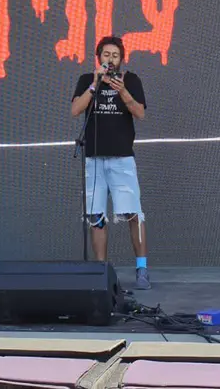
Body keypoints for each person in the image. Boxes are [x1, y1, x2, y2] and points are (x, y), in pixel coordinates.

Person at [70, 35, 151, 289]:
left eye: (115, 55)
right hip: (94, 159)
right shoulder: (87, 79)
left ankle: (142, 269)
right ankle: (101, 271)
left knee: (133, 213)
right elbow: (75, 110)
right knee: (96, 217)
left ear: (121, 59)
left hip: (121, 158)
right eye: (106, 54)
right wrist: (94, 84)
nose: (111, 59)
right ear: (99, 57)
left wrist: (123, 91)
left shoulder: (131, 80)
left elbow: (140, 113)